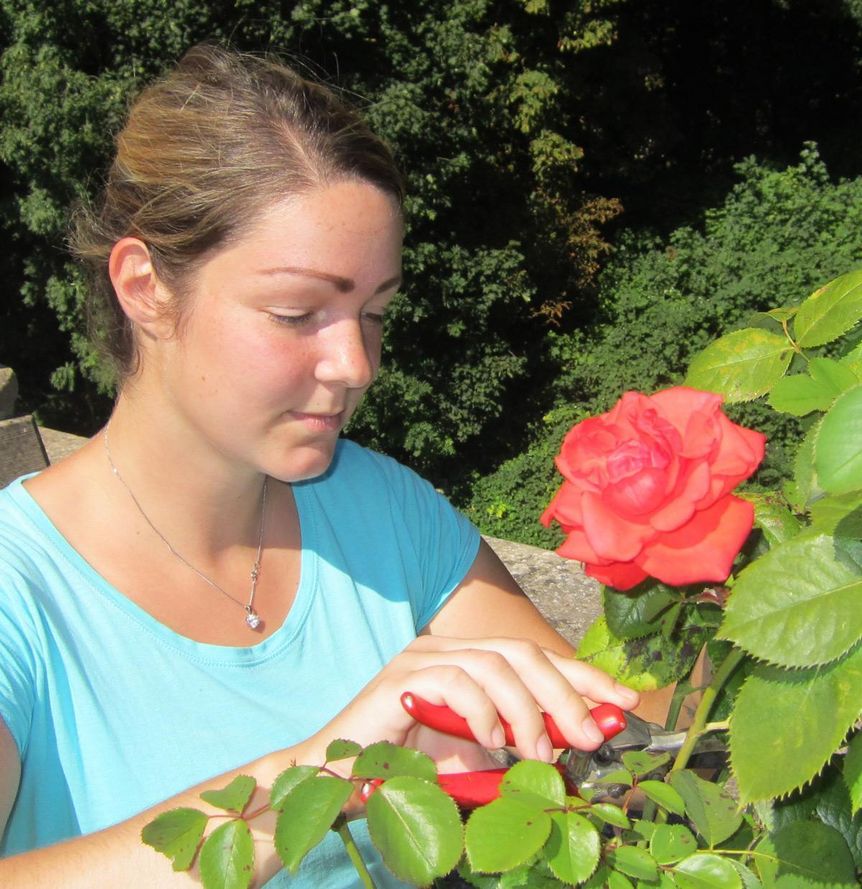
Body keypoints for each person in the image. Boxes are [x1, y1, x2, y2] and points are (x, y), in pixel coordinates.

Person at [0, 44, 639, 887]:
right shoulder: (20, 589)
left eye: (374, 312)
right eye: (297, 311)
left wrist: (712, 613)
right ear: (145, 286)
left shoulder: (383, 511)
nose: (356, 365)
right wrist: (320, 774)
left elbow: (618, 745)